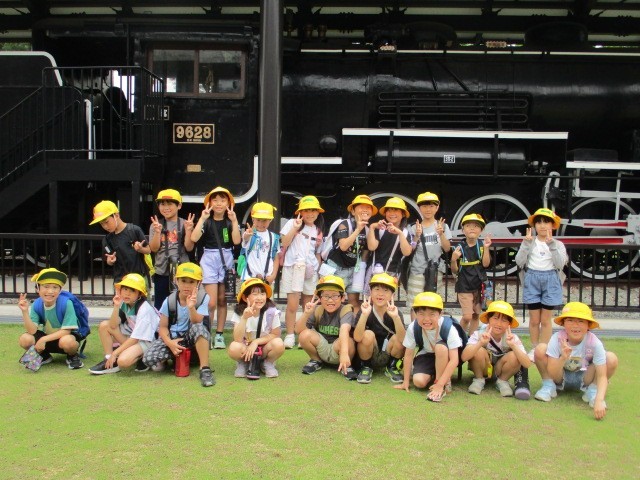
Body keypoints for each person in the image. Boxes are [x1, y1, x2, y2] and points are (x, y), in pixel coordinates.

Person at [534, 302, 618, 420]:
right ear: (563, 323)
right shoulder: (557, 338)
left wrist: (599, 400)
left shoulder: (594, 342)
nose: (575, 325)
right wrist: (563, 358)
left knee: (611, 358)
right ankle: (549, 386)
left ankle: (593, 391)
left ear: (588, 325)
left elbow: (602, 375)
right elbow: (552, 372)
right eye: (570, 320)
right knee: (540, 349)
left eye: (581, 321)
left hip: (586, 377)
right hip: (560, 376)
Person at [142, 263, 215, 387]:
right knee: (148, 358)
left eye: (191, 282)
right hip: (174, 338)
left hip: (192, 338)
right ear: (176, 281)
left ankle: (204, 368)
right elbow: (163, 327)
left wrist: (191, 307)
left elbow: (197, 321)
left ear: (199, 283)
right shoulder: (169, 300)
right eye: (183, 281)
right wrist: (170, 343)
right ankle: (176, 358)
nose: (187, 285)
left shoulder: (203, 298)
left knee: (199, 328)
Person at [191, 186, 241, 349]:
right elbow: (194, 238)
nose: (219, 203)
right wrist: (202, 218)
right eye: (215, 200)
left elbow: (236, 241)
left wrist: (234, 221)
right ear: (210, 202)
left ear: (228, 203)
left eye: (223, 200)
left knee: (222, 300)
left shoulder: (229, 221)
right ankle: (208, 333)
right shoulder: (207, 221)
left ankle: (219, 335)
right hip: (209, 258)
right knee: (211, 302)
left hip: (226, 258)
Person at [515, 208, 567, 355]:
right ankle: (534, 348)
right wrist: (525, 244)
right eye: (539, 222)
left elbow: (560, 264)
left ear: (552, 225)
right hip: (532, 278)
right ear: (534, 225)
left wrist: (552, 246)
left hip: (551, 279)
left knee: (545, 320)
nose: (542, 226)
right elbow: (519, 261)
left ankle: (544, 349)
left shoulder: (559, 244)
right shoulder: (530, 242)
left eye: (546, 222)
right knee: (534, 319)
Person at [395, 292, 461, 402]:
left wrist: (440, 384)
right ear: (415, 314)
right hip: (427, 354)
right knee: (419, 382)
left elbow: (454, 360)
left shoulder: (448, 328)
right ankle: (437, 375)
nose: (426, 319)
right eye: (421, 314)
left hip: (445, 355)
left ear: (440, 314)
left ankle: (441, 384)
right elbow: (408, 354)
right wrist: (405, 382)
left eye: (432, 314)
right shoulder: (413, 327)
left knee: (440, 347)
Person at [88, 273, 159, 374]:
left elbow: (136, 338)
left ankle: (142, 358)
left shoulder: (144, 309)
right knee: (104, 325)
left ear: (139, 294)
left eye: (132, 290)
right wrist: (116, 306)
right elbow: (112, 325)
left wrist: (116, 353)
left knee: (123, 361)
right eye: (125, 289)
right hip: (133, 337)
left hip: (147, 341)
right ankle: (109, 360)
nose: (127, 293)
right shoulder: (124, 303)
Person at [17, 268, 85, 369]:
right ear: (37, 289)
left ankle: (72, 356)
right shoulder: (37, 304)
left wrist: (43, 339)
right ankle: (44, 356)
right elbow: (32, 331)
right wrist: (25, 311)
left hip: (64, 338)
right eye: (46, 286)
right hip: (47, 340)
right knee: (25, 339)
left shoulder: (66, 303)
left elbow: (66, 331)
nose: (50, 291)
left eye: (55, 287)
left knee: (68, 341)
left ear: (60, 290)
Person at [461, 300, 531, 398]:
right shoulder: (478, 334)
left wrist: (513, 346)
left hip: (500, 369)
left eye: (504, 320)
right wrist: (480, 343)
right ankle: (478, 379)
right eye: (495, 318)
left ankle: (502, 381)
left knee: (515, 355)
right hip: (484, 368)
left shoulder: (512, 338)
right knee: (478, 350)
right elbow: (464, 357)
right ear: (488, 319)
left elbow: (527, 363)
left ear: (509, 324)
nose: (499, 323)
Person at [280, 195, 324, 349]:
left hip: (310, 269)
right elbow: (284, 242)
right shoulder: (292, 223)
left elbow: (318, 253)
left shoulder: (318, 231)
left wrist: (317, 270)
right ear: (300, 212)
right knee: (292, 305)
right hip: (293, 267)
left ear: (318, 212)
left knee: (308, 305)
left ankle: (304, 334)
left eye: (313, 210)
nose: (310, 214)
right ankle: (290, 335)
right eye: (306, 210)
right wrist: (295, 228)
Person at [321, 194, 376, 312]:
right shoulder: (344, 224)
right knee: (332, 301)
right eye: (361, 207)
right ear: (353, 211)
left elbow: (366, 252)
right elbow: (343, 246)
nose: (365, 210)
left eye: (368, 207)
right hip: (336, 268)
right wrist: (358, 230)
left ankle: (353, 324)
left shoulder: (367, 230)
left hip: (353, 270)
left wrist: (361, 271)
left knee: (354, 302)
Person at [295, 275, 356, 378]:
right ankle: (316, 360)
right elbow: (298, 330)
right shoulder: (317, 310)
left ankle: (346, 365)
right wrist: (306, 313)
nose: (330, 300)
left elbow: (344, 330)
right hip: (323, 348)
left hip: (340, 349)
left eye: (335, 296)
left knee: (348, 341)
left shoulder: (346, 310)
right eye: (326, 296)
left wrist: (344, 354)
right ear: (320, 298)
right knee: (304, 335)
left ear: (342, 298)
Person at [352, 273, 405, 384]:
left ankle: (391, 367)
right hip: (369, 353)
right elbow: (357, 338)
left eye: (386, 290)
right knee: (367, 334)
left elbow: (403, 339)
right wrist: (364, 315)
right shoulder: (365, 310)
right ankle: (366, 367)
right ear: (370, 292)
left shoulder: (396, 312)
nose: (380, 294)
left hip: (389, 352)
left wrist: (395, 317)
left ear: (392, 295)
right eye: (376, 289)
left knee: (398, 338)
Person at [405, 192, 452, 319]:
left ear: (437, 208)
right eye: (424, 206)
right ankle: (415, 329)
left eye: (431, 206)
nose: (428, 209)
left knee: (433, 304)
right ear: (419, 208)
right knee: (415, 305)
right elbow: (410, 249)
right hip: (417, 270)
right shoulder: (413, 228)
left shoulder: (443, 226)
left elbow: (447, 248)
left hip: (435, 271)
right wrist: (416, 236)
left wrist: (441, 234)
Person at [228, 278, 285, 379]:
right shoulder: (240, 312)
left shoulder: (271, 312)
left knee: (279, 343)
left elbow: (276, 334)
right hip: (246, 349)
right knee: (233, 347)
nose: (260, 298)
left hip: (264, 348)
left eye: (262, 294)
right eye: (255, 294)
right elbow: (237, 339)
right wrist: (244, 318)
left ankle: (267, 363)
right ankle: (244, 363)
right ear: (245, 298)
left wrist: (256, 342)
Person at [148, 188, 195, 309]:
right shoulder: (155, 225)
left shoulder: (185, 223)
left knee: (182, 303)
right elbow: (154, 248)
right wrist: (157, 232)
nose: (166, 207)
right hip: (162, 270)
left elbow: (189, 247)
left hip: (182, 271)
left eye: (170, 204)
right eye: (162, 204)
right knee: (161, 305)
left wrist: (189, 230)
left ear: (179, 206)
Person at [89, 200, 150, 284]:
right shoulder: (107, 240)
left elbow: (148, 250)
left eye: (106, 222)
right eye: (101, 224)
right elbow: (109, 260)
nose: (105, 226)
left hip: (139, 278)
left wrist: (140, 249)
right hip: (120, 281)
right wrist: (110, 261)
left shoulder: (134, 230)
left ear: (116, 215)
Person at [450, 213, 491, 335]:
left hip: (478, 285)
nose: (472, 228)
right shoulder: (459, 247)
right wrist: (453, 259)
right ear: (463, 230)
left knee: (476, 315)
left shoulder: (482, 246)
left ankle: (471, 339)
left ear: (481, 230)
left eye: (476, 226)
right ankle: (459, 337)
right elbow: (455, 270)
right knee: (467, 316)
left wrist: (487, 248)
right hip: (464, 285)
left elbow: (485, 264)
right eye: (468, 226)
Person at [365, 197, 413, 290]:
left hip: (392, 273)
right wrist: (372, 227)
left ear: (403, 214)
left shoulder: (405, 233)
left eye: (396, 210)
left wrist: (399, 233)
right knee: (370, 298)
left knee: (386, 298)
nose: (392, 213)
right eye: (389, 210)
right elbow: (372, 247)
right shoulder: (380, 229)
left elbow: (406, 252)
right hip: (374, 271)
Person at [238, 202, 280, 284]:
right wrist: (247, 235)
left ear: (270, 220)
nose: (261, 223)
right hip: (249, 278)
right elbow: (245, 239)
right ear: (252, 219)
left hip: (267, 279)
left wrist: (273, 275)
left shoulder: (274, 237)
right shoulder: (249, 233)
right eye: (258, 220)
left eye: (264, 220)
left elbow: (276, 258)